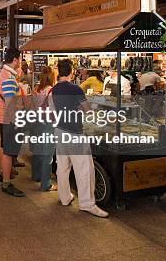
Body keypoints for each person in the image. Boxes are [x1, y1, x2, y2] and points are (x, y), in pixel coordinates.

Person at [53, 59, 109, 218]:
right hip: (74, 132)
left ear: (59, 71)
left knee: (62, 167)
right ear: (71, 71)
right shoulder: (75, 88)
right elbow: (88, 110)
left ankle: (64, 197)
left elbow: (65, 107)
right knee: (84, 169)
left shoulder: (56, 89)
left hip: (60, 130)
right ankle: (88, 204)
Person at [0, 48, 26, 197]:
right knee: (8, 152)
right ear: (15, 60)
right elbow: (9, 103)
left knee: (4, 147)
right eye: (19, 59)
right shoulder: (7, 77)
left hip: (2, 117)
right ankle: (6, 183)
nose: (20, 62)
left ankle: (3, 173)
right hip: (9, 119)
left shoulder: (3, 73)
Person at [31, 67, 57, 191]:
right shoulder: (52, 91)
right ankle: (46, 184)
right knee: (47, 154)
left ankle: (36, 175)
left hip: (36, 122)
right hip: (47, 124)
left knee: (37, 150)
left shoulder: (36, 89)